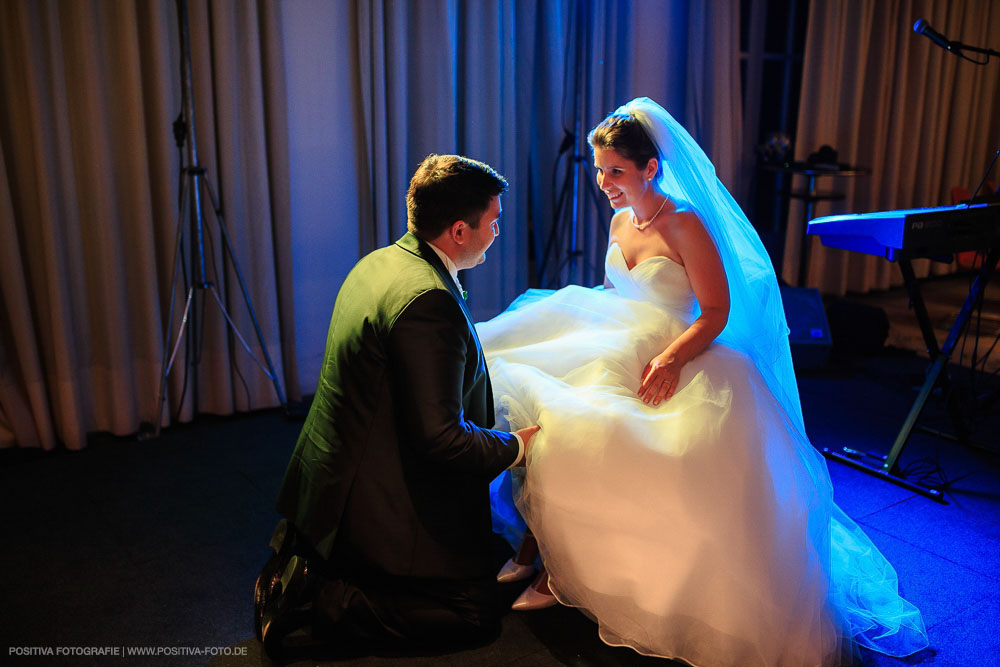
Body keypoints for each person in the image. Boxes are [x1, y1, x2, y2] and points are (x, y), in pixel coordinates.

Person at [479, 98, 929, 666]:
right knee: (529, 396)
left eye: (615, 170)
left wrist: (669, 360)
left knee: (600, 434)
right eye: (598, 169)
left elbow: (715, 310)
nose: (604, 182)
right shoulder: (620, 220)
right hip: (619, 336)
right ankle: (537, 544)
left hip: (683, 346)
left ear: (650, 168)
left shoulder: (686, 223)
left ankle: (562, 571)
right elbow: (619, 296)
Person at [254, 153, 539, 660]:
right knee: (475, 615)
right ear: (458, 231)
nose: (497, 232)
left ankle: (323, 564)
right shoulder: (428, 300)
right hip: (370, 492)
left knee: (486, 555)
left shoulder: (382, 261)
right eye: (493, 222)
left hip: (335, 469)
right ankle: (331, 601)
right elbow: (439, 439)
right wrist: (514, 448)